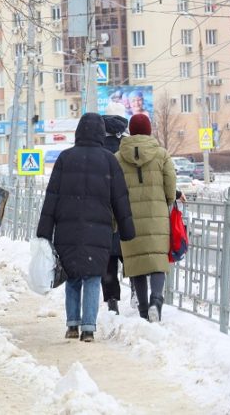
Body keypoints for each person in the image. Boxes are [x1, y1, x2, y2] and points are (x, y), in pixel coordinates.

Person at [37, 112, 135, 342]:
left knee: (72, 276)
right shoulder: (109, 160)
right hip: (98, 229)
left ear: (78, 131)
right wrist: (127, 230)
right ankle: (88, 328)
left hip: (67, 229)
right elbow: (120, 198)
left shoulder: (65, 158)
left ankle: (72, 324)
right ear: (101, 133)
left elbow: (52, 197)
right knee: (92, 277)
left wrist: (44, 231)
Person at [115, 113, 177, 323]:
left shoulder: (118, 157)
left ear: (130, 131)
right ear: (149, 130)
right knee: (158, 260)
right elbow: (170, 184)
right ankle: (156, 300)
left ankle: (143, 309)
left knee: (137, 263)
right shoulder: (161, 154)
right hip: (156, 215)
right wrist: (168, 200)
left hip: (128, 218)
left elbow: (113, 188)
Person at [100, 107, 129, 314]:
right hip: (127, 206)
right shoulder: (126, 145)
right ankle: (138, 293)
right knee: (130, 254)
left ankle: (112, 301)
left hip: (102, 209)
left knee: (108, 257)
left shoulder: (97, 145)